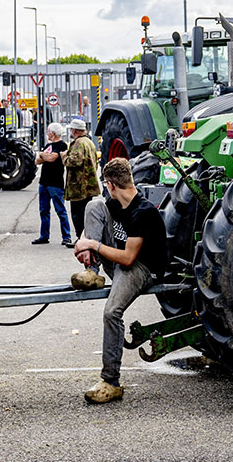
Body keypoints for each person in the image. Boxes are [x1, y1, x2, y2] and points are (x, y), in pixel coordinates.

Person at [72, 157, 167, 404]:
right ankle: (92, 273)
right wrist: (83, 244)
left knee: (112, 312)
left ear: (111, 185)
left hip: (140, 267)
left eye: (106, 186)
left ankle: (111, 382)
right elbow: (93, 225)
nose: (107, 191)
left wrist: (94, 244)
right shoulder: (115, 204)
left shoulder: (143, 212)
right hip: (120, 259)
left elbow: (127, 258)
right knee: (93, 205)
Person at [33, 122, 72, 247]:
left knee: (60, 210)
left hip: (55, 183)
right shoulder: (48, 145)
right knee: (43, 210)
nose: (47, 134)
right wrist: (44, 156)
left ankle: (66, 237)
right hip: (43, 182)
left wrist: (43, 155)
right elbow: (37, 161)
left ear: (53, 133)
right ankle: (44, 235)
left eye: (49, 131)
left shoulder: (62, 145)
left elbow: (51, 158)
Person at [61, 118, 99, 239]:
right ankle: (87, 237)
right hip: (89, 184)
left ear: (75, 130)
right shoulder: (89, 142)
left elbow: (75, 161)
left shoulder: (78, 143)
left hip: (79, 186)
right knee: (86, 213)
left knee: (78, 214)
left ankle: (80, 238)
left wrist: (64, 157)